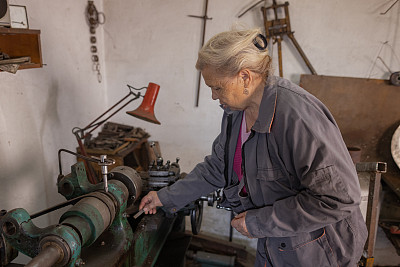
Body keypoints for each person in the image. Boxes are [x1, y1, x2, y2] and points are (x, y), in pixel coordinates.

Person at [139, 28, 367, 267]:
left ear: (245, 77)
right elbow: (218, 166)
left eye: (217, 87)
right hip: (273, 245)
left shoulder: (297, 116)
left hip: (319, 252)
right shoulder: (235, 111)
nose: (214, 97)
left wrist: (259, 222)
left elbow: (338, 199)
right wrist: (164, 197)